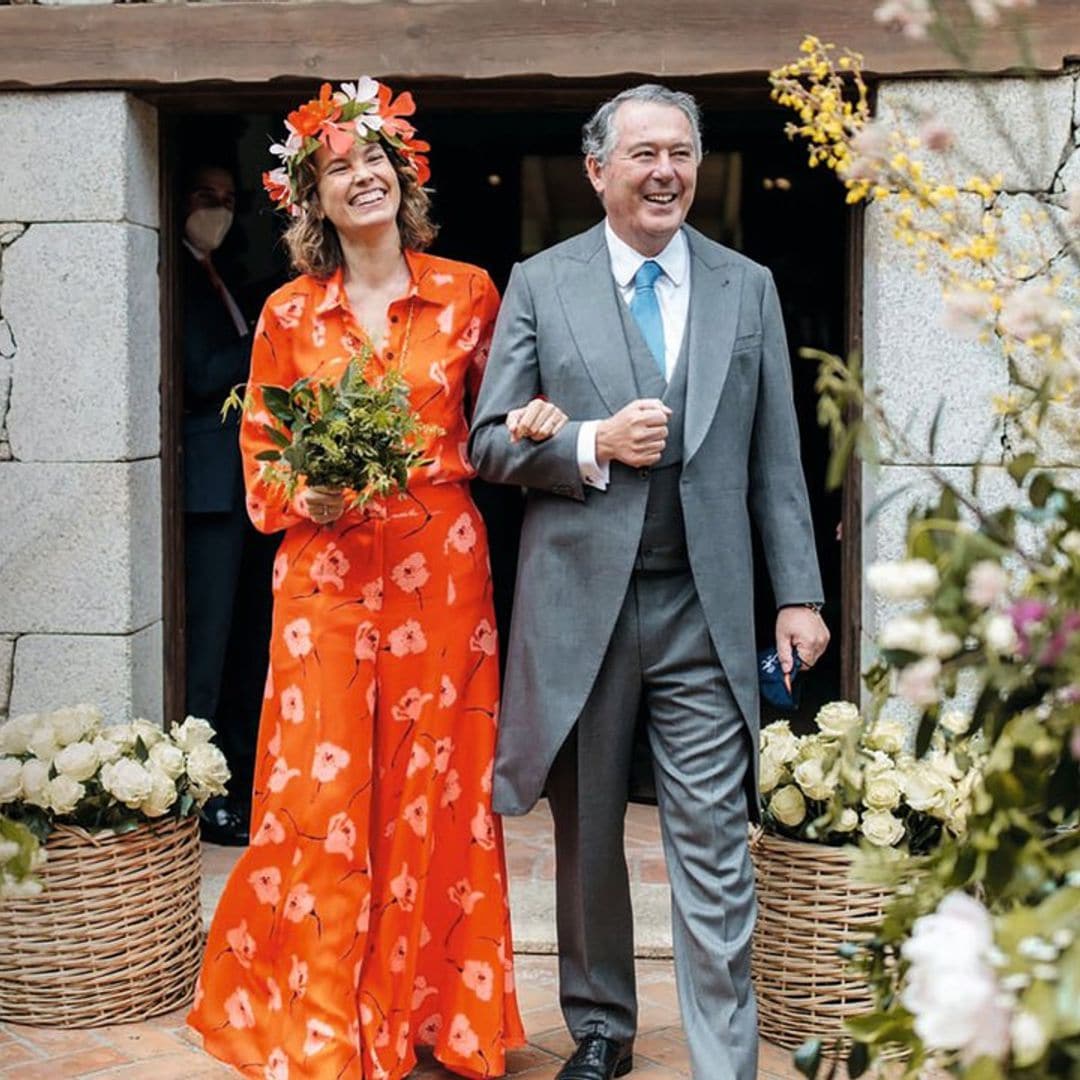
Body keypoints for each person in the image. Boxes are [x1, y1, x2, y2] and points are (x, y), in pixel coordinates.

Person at [469, 84, 831, 1080]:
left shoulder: (744, 285)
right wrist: (591, 442)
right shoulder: (540, 283)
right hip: (581, 605)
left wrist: (797, 593)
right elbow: (489, 441)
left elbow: (776, 458)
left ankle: (724, 1055)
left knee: (713, 836)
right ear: (598, 171)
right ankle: (600, 1028)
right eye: (644, 155)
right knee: (585, 837)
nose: (666, 171)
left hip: (701, 607)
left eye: (682, 152)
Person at [188, 79, 538, 1079]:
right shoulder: (288, 312)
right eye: (336, 167)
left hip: (441, 571)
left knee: (434, 784)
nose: (361, 176)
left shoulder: (471, 292)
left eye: (372, 159)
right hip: (327, 575)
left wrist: (553, 427)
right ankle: (327, 1021)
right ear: (312, 199)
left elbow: (501, 430)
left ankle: (431, 1015)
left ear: (404, 175)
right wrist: (315, 494)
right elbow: (261, 463)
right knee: (322, 789)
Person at [181, 161, 275, 846]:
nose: (218, 209)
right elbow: (205, 373)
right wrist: (266, 339)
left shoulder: (222, 279)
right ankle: (203, 795)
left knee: (248, 645)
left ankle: (237, 784)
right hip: (209, 494)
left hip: (248, 491)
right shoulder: (180, 277)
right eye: (206, 197)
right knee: (209, 652)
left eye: (228, 199)